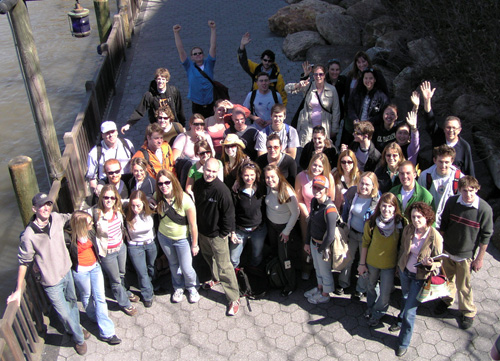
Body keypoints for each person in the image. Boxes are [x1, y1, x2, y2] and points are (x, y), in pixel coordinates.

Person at [7, 193, 90, 355]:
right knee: (64, 313)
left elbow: (70, 217)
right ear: (34, 208)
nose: (46, 208)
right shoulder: (29, 235)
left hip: (66, 271)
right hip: (51, 281)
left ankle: (74, 329)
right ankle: (79, 338)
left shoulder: (56, 218)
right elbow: (24, 262)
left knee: (72, 302)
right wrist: (18, 290)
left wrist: (86, 215)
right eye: (41, 205)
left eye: (48, 204)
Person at [434, 176, 493, 330]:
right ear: (459, 190)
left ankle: (467, 311)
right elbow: (444, 225)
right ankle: (446, 300)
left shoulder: (483, 209)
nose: (468, 194)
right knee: (447, 279)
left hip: (465, 255)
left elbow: (485, 237)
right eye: (465, 190)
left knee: (464, 286)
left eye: (472, 190)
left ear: (477, 189)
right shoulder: (452, 202)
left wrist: (479, 259)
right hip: (448, 251)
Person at [394, 202, 443, 357]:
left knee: (410, 311)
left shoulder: (435, 236)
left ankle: (403, 342)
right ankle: (400, 319)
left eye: (419, 217)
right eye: (413, 216)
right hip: (405, 271)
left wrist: (431, 264)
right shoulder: (409, 230)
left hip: (419, 276)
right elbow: (403, 249)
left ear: (427, 217)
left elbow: (439, 261)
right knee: (405, 296)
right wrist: (398, 267)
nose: (416, 220)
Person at [193, 158, 240, 316]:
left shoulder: (222, 191)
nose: (210, 174)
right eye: (208, 170)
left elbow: (229, 215)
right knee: (208, 257)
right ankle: (215, 278)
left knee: (225, 267)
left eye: (214, 171)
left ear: (217, 172)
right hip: (202, 232)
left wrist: (224, 233)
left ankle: (234, 298)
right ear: (203, 169)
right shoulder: (198, 184)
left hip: (218, 235)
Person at [68, 211, 121, 345]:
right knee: (86, 296)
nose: (92, 224)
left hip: (95, 267)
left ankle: (107, 332)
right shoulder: (69, 239)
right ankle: (92, 316)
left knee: (100, 297)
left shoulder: (90, 233)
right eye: (89, 223)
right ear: (81, 225)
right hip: (81, 271)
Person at [91, 185, 139, 317]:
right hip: (108, 252)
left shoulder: (117, 209)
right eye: (106, 197)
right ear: (101, 198)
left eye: (112, 197)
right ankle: (124, 303)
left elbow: (130, 201)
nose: (109, 200)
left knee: (122, 273)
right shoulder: (96, 213)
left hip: (120, 247)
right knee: (115, 279)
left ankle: (125, 292)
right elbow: (79, 215)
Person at [357, 193, 403, 327]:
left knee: (385, 293)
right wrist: (362, 263)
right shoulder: (371, 222)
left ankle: (377, 313)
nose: (386, 209)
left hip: (389, 265)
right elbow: (365, 243)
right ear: (379, 206)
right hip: (372, 262)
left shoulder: (400, 223)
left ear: (395, 208)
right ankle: (371, 308)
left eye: (390, 206)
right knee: (370, 287)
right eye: (384, 206)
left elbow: (402, 245)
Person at [156, 170, 201, 304]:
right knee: (174, 265)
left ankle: (192, 286)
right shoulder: (158, 196)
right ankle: (178, 287)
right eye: (160, 184)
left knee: (186, 267)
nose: (164, 186)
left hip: (182, 239)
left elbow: (193, 225)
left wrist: (194, 244)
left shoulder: (185, 199)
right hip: (164, 237)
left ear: (173, 182)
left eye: (166, 182)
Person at [336, 172, 380, 298]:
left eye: (367, 184)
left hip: (366, 237)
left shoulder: (376, 200)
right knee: (347, 258)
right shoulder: (353, 194)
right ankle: (343, 283)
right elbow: (346, 211)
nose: (363, 187)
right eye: (362, 183)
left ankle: (361, 288)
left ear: (373, 186)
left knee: (363, 262)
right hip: (352, 233)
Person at [295, 153, 335, 279]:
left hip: (322, 216)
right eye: (314, 164)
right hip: (306, 215)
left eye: (319, 166)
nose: (316, 168)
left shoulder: (328, 178)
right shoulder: (301, 176)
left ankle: (323, 272)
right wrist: (307, 214)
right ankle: (307, 267)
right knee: (306, 242)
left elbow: (331, 198)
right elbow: (298, 198)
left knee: (321, 242)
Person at [422, 81, 475, 176]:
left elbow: (469, 170)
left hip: (455, 186)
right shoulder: (438, 137)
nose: (451, 131)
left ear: (459, 130)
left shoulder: (464, 146)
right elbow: (429, 119)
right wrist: (427, 101)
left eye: (454, 128)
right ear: (443, 128)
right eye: (448, 127)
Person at [264, 165, 300, 296]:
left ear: (279, 176)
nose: (269, 180)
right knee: (275, 253)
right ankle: (277, 277)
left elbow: (296, 213)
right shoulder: (268, 188)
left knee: (285, 258)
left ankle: (290, 284)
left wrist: (286, 231)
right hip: (271, 226)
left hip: (283, 229)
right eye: (267, 177)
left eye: (272, 177)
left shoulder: (287, 192)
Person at [285, 63, 340, 147]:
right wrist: (299, 84)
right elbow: (287, 88)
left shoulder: (332, 89)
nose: (318, 76)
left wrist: (334, 129)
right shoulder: (309, 86)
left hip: (324, 126)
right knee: (307, 149)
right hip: (307, 126)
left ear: (325, 75)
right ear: (313, 75)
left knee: (322, 150)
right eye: (316, 74)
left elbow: (336, 110)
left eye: (321, 74)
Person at [303, 175, 338, 304]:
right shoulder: (313, 202)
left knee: (325, 271)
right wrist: (307, 242)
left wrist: (321, 249)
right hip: (313, 242)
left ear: (326, 190)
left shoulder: (330, 209)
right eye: (315, 187)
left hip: (323, 247)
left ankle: (325, 293)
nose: (317, 190)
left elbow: (330, 235)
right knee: (317, 268)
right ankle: (319, 288)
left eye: (320, 188)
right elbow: (311, 222)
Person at [121, 67, 185, 135]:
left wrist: (182, 125)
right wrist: (129, 124)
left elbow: (179, 109)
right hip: (157, 128)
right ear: (155, 80)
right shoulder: (149, 95)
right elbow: (139, 111)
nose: (161, 81)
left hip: (171, 127)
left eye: (163, 79)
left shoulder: (173, 91)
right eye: (159, 79)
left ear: (167, 80)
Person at [173, 21, 217, 118]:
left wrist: (213, 29)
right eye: (195, 54)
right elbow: (181, 50)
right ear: (192, 57)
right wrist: (176, 33)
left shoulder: (209, 63)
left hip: (211, 102)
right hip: (197, 104)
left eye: (200, 53)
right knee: (199, 126)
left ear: (203, 54)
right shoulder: (189, 66)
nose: (198, 55)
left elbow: (213, 46)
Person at [229, 161, 267, 268]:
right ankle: (235, 274)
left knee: (257, 254)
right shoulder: (236, 192)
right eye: (246, 175)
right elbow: (231, 213)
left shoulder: (261, 189)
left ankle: (253, 271)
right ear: (241, 175)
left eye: (252, 175)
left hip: (258, 229)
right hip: (240, 230)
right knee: (233, 258)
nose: (249, 178)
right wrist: (232, 232)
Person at [417, 145, 464, 227]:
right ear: (434, 160)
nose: (443, 165)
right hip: (430, 222)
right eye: (440, 162)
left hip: (450, 222)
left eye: (447, 162)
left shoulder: (459, 178)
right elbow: (420, 199)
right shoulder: (425, 176)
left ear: (452, 161)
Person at [125, 190, 157, 308]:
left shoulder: (149, 211)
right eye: (132, 205)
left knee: (151, 267)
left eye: (138, 205)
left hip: (150, 243)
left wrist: (150, 200)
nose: (135, 208)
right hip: (135, 246)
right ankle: (147, 295)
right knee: (142, 272)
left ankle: (151, 285)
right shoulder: (127, 212)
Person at [238, 32, 287, 105]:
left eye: (270, 61)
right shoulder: (255, 69)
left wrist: (281, 111)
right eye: (265, 60)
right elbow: (243, 62)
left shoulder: (278, 77)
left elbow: (283, 96)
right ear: (261, 60)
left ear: (273, 62)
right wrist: (242, 46)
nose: (267, 63)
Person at [87, 121, 135, 196]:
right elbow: (92, 178)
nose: (111, 135)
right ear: (102, 135)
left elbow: (134, 163)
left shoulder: (127, 144)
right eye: (107, 133)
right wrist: (97, 192)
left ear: (117, 132)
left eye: (113, 132)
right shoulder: (95, 153)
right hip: (107, 186)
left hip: (127, 183)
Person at [172, 114, 215, 188]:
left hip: (204, 170)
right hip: (188, 171)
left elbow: (213, 155)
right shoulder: (183, 137)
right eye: (196, 124)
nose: (199, 126)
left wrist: (204, 141)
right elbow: (174, 159)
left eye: (202, 124)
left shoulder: (206, 136)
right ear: (190, 125)